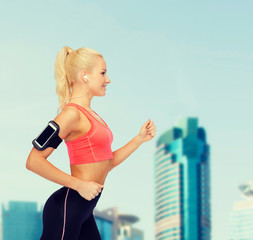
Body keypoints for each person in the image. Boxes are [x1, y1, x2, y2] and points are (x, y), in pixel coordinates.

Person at [26, 46, 157, 240]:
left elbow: (106, 163)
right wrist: (79, 185)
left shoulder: (94, 116)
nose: (108, 80)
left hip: (85, 210)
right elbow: (34, 161)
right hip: (66, 209)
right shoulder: (70, 114)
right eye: (103, 73)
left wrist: (139, 139)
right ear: (85, 75)